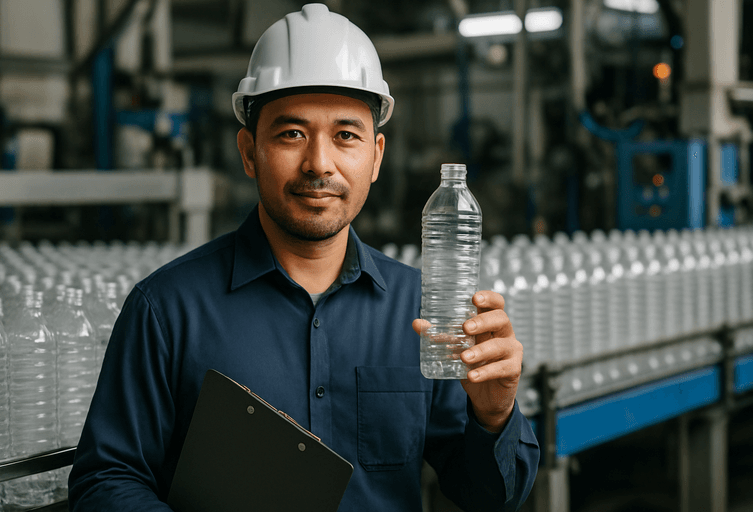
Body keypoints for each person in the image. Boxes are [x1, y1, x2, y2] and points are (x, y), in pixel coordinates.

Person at [68, 4, 539, 511]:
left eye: (346, 135)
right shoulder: (167, 311)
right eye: (291, 134)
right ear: (249, 152)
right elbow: (105, 481)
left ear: (376, 156)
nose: (319, 163)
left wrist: (495, 416)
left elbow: (491, 497)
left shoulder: (423, 313)